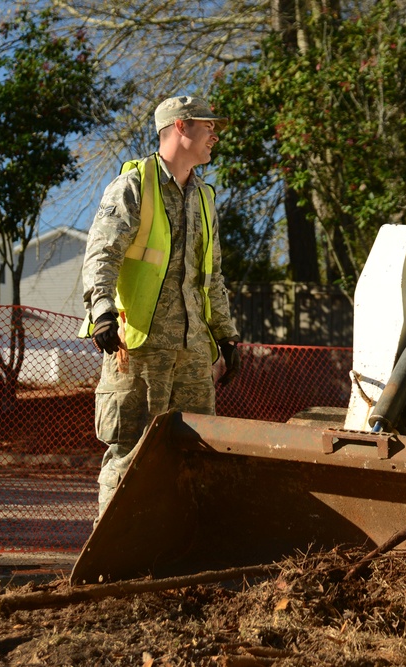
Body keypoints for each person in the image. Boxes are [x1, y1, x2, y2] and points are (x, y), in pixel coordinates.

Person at [79, 95, 240, 520]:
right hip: (138, 348)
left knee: (195, 452)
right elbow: (102, 254)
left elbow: (213, 274)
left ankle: (178, 557)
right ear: (182, 127)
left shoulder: (204, 197)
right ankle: (109, 562)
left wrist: (225, 335)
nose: (215, 137)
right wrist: (101, 312)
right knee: (130, 450)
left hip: (191, 353)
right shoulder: (133, 186)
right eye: (209, 127)